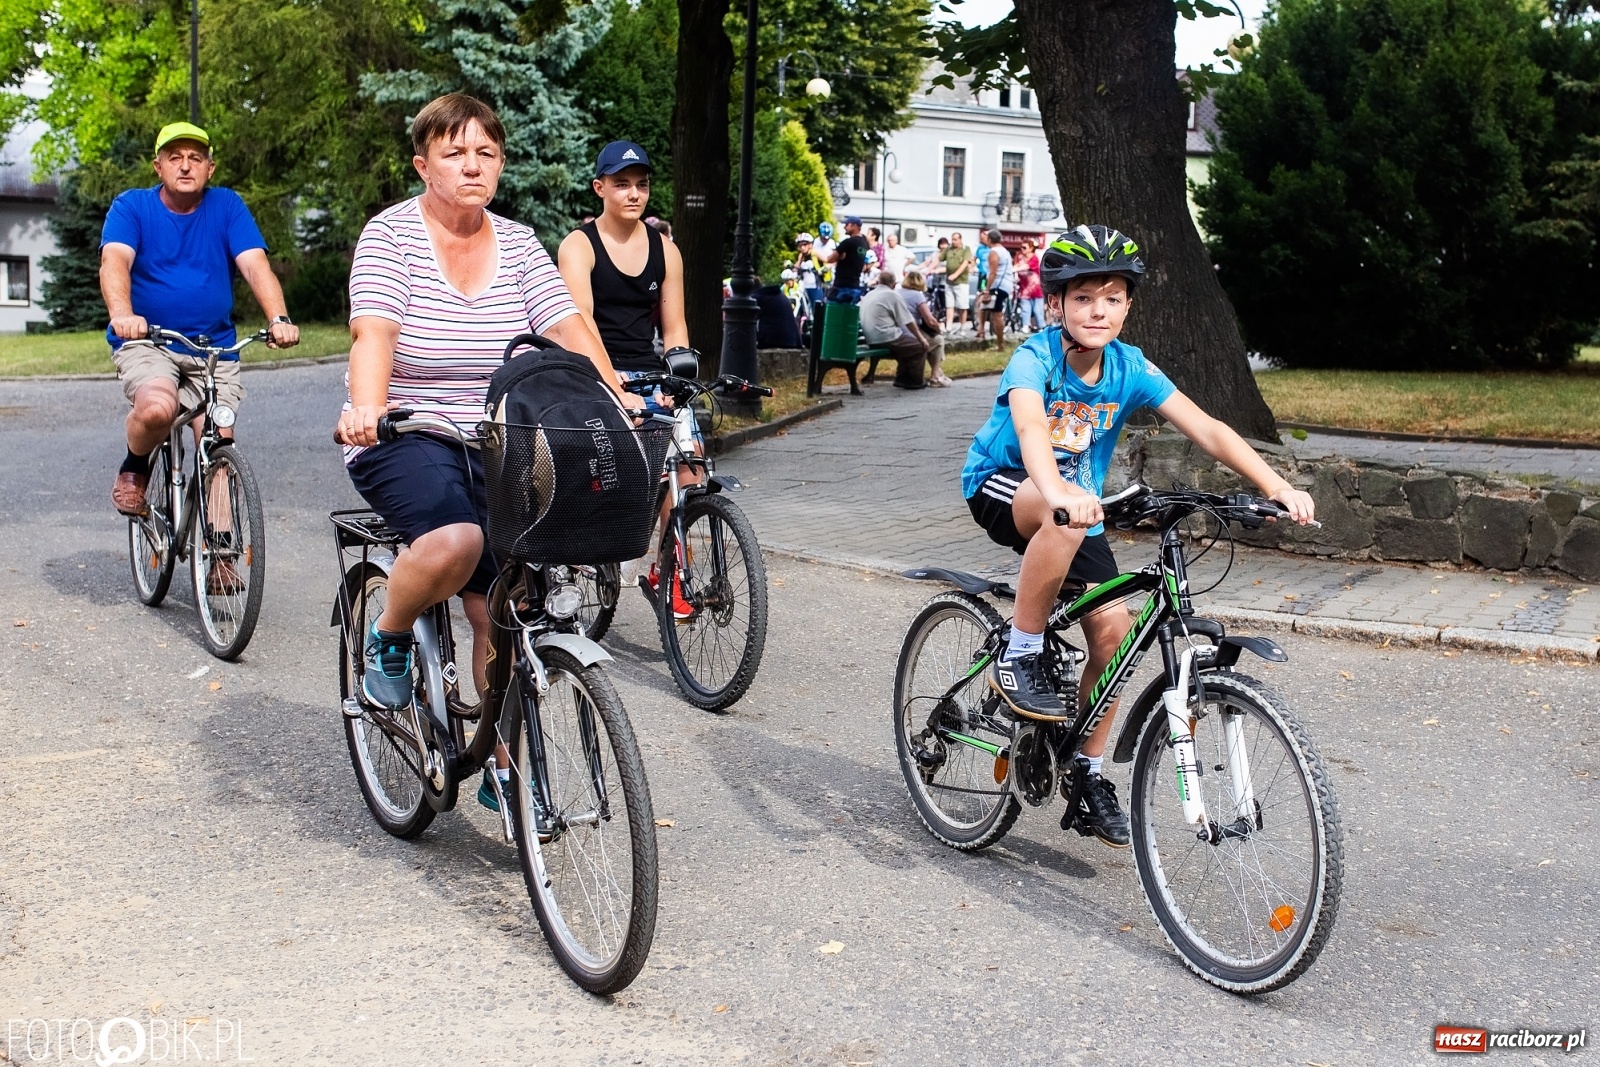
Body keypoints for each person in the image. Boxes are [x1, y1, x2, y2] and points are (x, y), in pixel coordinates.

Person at [334, 94, 641, 814]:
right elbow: (372, 335)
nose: (473, 166)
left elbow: (566, 325)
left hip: (501, 439)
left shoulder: (519, 241)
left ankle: (502, 764)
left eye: (486, 153)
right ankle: (389, 635)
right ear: (423, 163)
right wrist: (369, 409)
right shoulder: (391, 238)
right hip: (407, 434)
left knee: (504, 607)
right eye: (454, 152)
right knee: (456, 539)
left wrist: (616, 396)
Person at [961, 224, 1316, 846]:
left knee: (1115, 630)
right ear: (1057, 304)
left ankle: (1089, 770)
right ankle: (1020, 652)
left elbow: (1207, 428)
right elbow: (1033, 435)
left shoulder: (1129, 367)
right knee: (1060, 516)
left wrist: (1275, 486)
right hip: (1008, 484)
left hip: (1079, 511)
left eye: (1113, 298)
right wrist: (1057, 492)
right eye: (1083, 298)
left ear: (1128, 306)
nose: (1098, 310)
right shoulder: (1035, 358)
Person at [102, 121, 299, 521]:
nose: (186, 166)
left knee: (217, 442)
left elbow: (255, 266)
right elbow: (114, 263)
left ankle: (221, 551)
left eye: (196, 158)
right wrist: (123, 315)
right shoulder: (132, 206)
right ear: (158, 166)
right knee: (158, 409)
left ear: (211, 167)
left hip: (214, 348)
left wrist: (278, 317)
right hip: (150, 341)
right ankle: (135, 466)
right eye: (175, 158)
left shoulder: (226, 206)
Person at [557, 140, 703, 620]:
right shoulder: (580, 245)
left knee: (690, 467)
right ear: (600, 188)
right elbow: (581, 321)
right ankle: (569, 556)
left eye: (641, 184)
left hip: (648, 369)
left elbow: (674, 326)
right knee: (605, 469)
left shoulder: (666, 251)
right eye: (621, 184)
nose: (633, 193)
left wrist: (679, 374)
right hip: (594, 367)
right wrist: (611, 382)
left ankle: (671, 571)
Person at [858, 270, 934, 389]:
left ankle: (902, 378)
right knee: (918, 346)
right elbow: (908, 321)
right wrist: (921, 338)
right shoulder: (892, 295)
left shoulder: (870, 294)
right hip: (885, 337)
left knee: (907, 345)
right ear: (893, 283)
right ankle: (913, 381)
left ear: (879, 282)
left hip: (870, 338)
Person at [899, 269, 952, 386]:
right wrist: (939, 330)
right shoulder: (917, 295)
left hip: (898, 332)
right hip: (910, 333)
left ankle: (938, 372)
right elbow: (930, 320)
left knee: (929, 341)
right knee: (938, 341)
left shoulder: (898, 292)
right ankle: (934, 376)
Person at [826, 216, 873, 303]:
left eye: (847, 224)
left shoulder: (848, 242)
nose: (844, 227)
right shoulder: (864, 243)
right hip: (855, 286)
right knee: (849, 315)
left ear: (854, 226)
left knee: (832, 313)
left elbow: (830, 259)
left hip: (841, 286)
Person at [980, 229, 1013, 349]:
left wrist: (988, 289)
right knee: (987, 309)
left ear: (989, 239)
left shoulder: (994, 251)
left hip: (998, 285)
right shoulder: (1005, 251)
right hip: (1006, 285)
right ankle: (983, 333)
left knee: (997, 315)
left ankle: (1000, 344)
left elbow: (993, 272)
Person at [941, 232, 975, 333]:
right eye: (952, 239)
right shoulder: (949, 249)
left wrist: (955, 275)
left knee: (962, 306)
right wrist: (929, 269)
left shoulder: (966, 249)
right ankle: (949, 327)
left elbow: (965, 263)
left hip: (961, 282)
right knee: (949, 305)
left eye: (955, 239)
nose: (953, 241)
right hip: (949, 282)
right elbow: (939, 259)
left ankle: (962, 327)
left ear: (960, 239)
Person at [1018, 237, 1045, 331]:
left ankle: (1040, 326)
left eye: (1024, 248)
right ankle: (1026, 325)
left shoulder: (1034, 258)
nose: (1022, 250)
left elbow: (1027, 266)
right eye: (1021, 247)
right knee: (1025, 308)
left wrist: (1014, 269)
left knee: (1037, 310)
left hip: (1035, 289)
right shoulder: (1020, 257)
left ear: (1031, 248)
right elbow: (1017, 265)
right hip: (1024, 288)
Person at [793, 232, 824, 310]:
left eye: (805, 244)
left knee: (816, 309)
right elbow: (796, 266)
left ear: (810, 244)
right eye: (800, 245)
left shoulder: (815, 253)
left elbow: (828, 261)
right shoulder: (801, 255)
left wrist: (823, 269)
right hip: (804, 286)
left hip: (815, 286)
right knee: (802, 307)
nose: (802, 247)